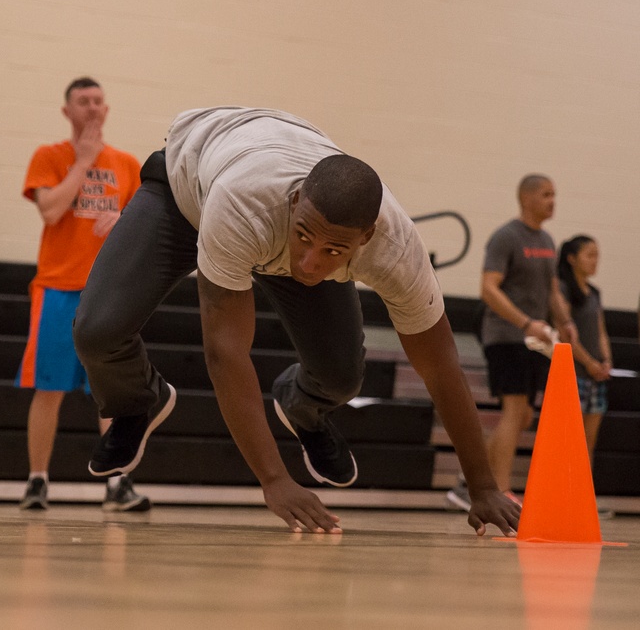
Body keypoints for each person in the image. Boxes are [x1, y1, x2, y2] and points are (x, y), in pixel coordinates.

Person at [73, 106, 520, 535]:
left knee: (342, 377)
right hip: (189, 185)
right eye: (305, 236)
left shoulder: (397, 249)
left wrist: (482, 487)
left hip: (268, 204)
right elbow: (225, 352)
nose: (309, 264)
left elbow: (441, 366)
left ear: (365, 240)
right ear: (295, 201)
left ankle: (300, 405)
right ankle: (137, 401)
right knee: (97, 332)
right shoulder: (244, 206)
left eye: (333, 251)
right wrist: (275, 480)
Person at [15, 77, 148, 512]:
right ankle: (37, 481)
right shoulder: (49, 156)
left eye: (98, 101)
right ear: (67, 111)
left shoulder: (128, 164)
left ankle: (116, 483)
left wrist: (124, 222)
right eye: (82, 101)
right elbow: (51, 210)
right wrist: (84, 162)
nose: (92, 108)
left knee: (110, 393)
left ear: (106, 110)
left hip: (109, 293)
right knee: (48, 389)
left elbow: (145, 229)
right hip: (57, 287)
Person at [447, 174, 575, 511]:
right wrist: (525, 322)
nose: (553, 201)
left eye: (554, 194)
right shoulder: (506, 237)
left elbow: (551, 290)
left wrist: (565, 321)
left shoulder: (547, 239)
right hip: (506, 336)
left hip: (536, 341)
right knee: (515, 410)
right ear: (527, 198)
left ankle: (471, 484)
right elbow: (488, 288)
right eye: (547, 194)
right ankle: (500, 492)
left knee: (523, 416)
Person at [557, 235, 611, 463]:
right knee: (568, 440)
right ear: (571, 258)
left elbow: (601, 332)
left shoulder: (595, 293)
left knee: (588, 444)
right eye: (589, 255)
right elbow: (564, 334)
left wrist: (606, 361)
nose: (595, 260)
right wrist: (589, 363)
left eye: (597, 255)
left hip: (597, 378)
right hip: (574, 375)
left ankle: (583, 495)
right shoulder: (562, 289)